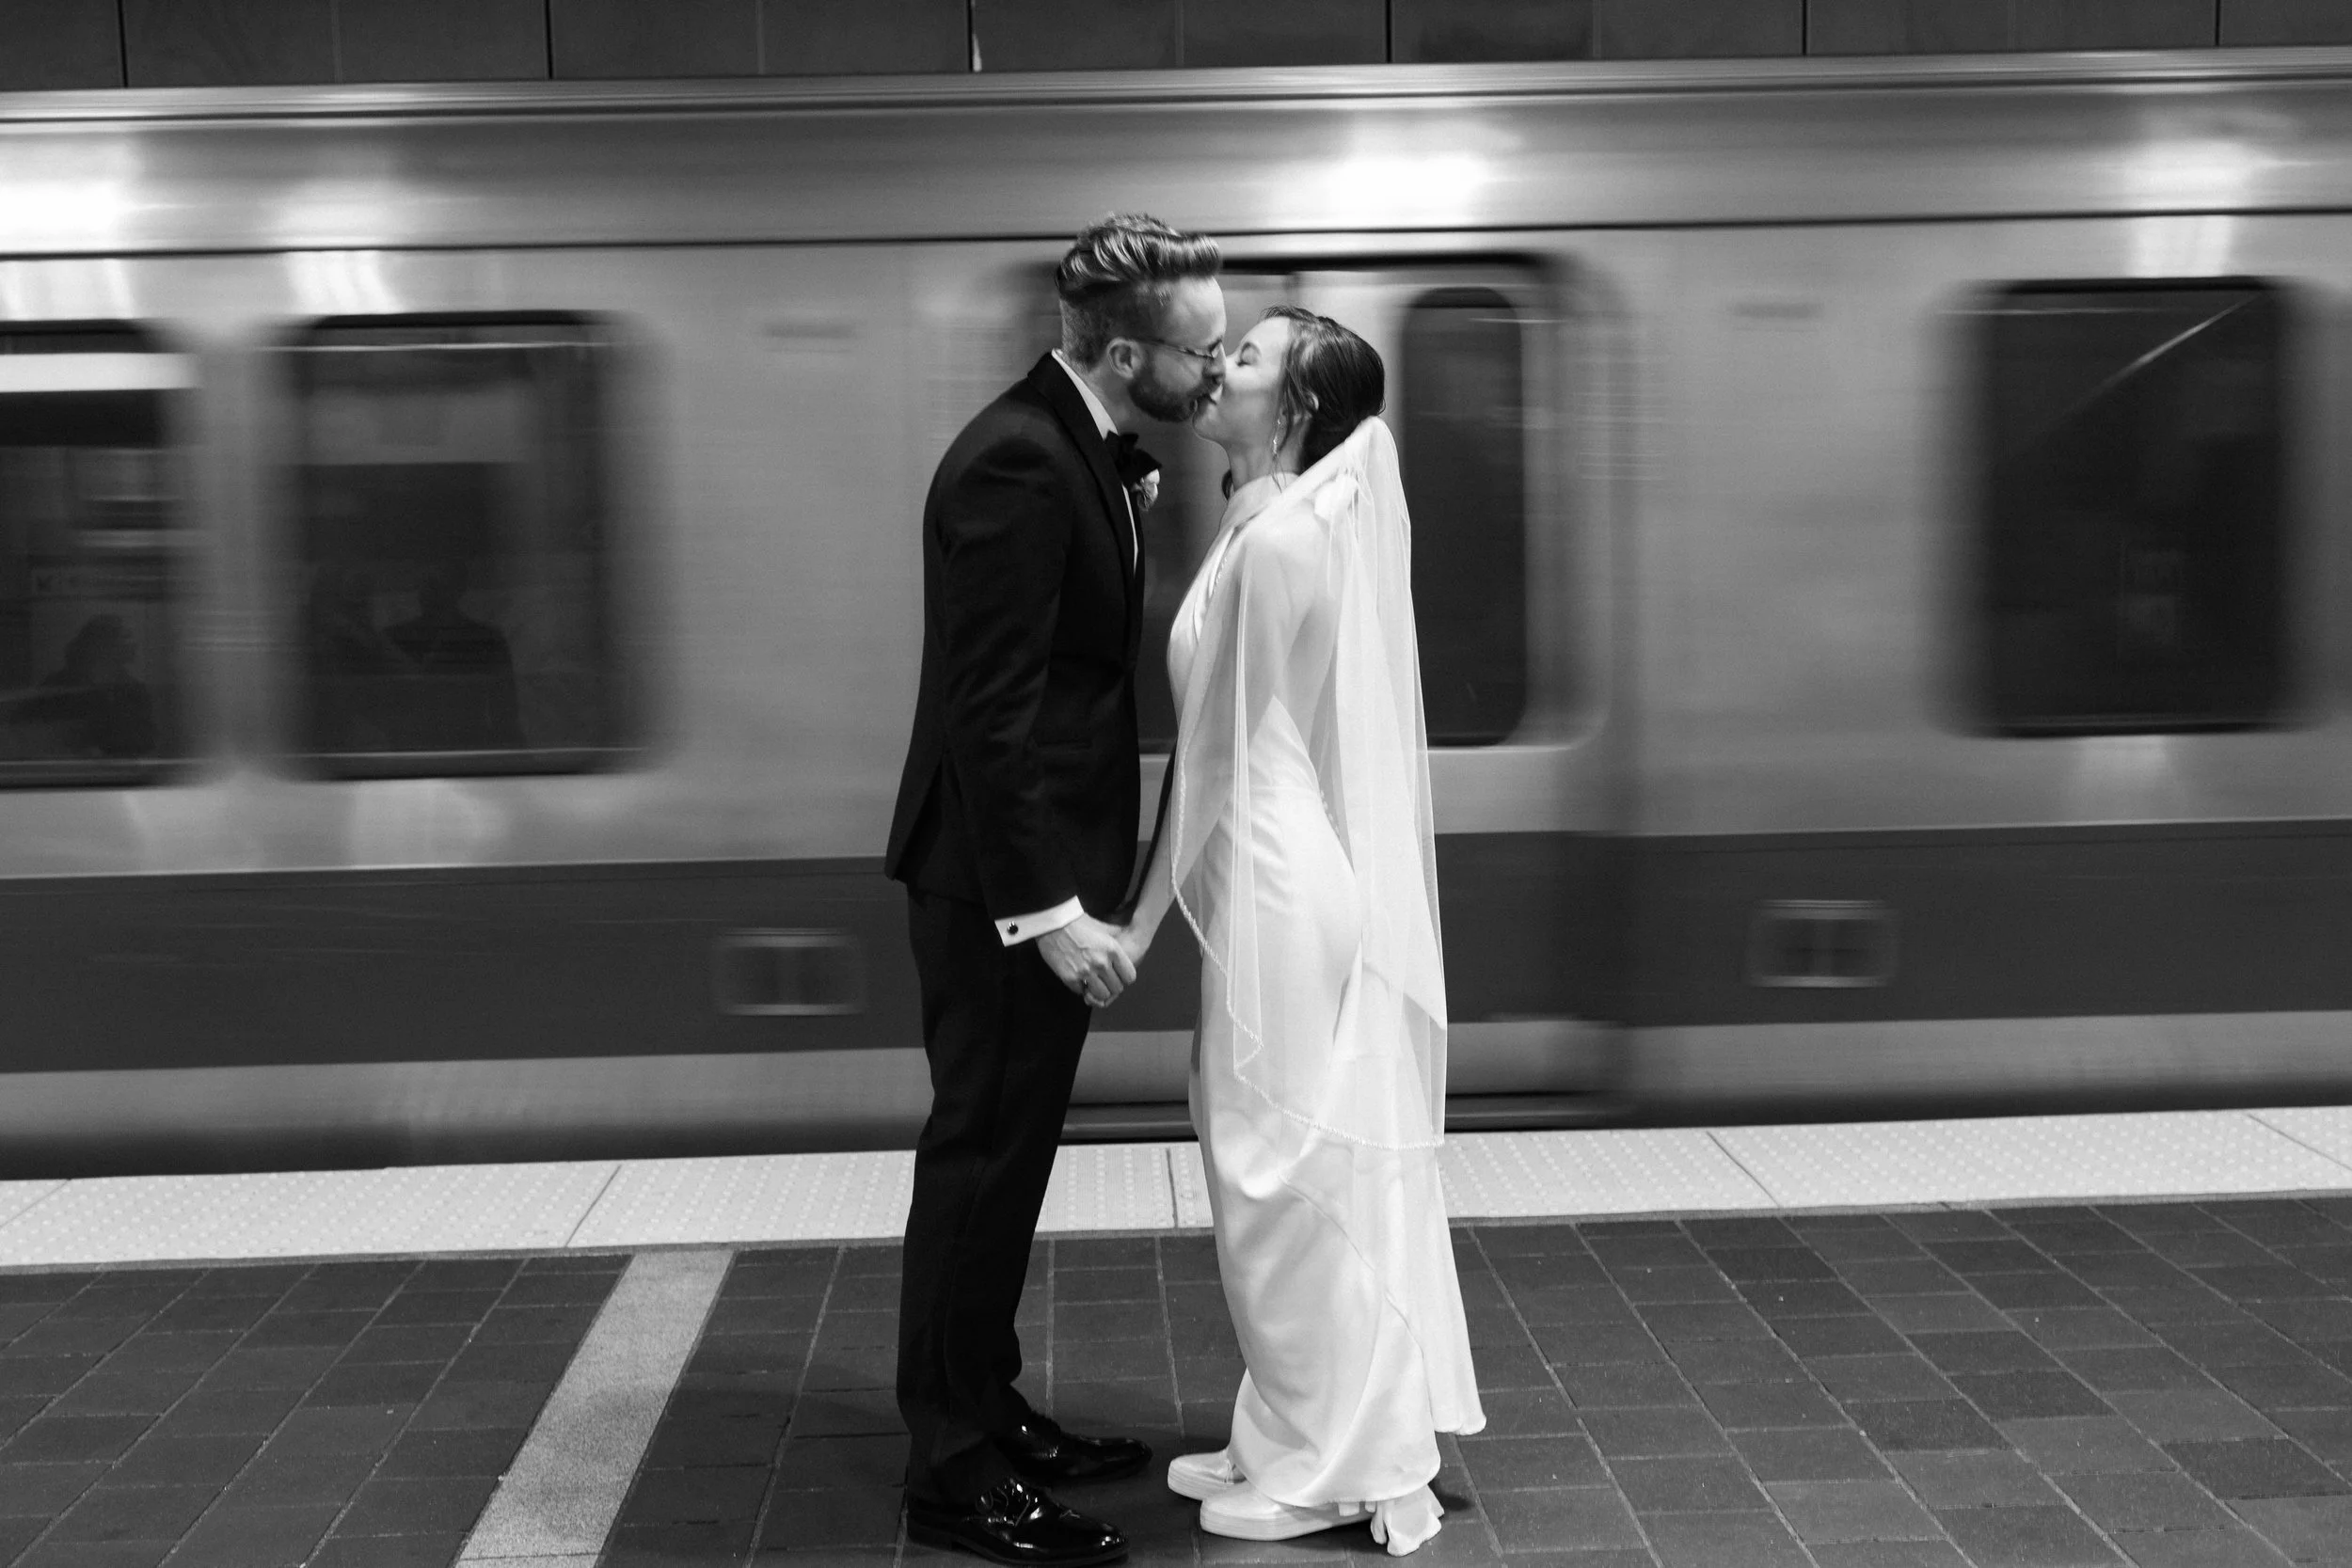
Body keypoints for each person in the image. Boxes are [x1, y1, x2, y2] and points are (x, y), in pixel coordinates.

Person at [882, 214, 1228, 1568]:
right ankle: (951, 1471)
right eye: (1199, 351)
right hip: (996, 894)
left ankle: (985, 1403)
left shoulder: (1070, 445)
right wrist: (1051, 911)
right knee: (977, 1164)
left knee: (1011, 1161)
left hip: (1027, 881)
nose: (1213, 373)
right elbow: (992, 715)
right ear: (1126, 347)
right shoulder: (1019, 464)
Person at [1114, 308, 1485, 1555]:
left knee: (1277, 1174)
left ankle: (1333, 1461)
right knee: (1264, 1158)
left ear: (1300, 409)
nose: (1222, 364)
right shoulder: (1264, 514)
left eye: (1251, 356)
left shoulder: (1280, 539)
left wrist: (1137, 921)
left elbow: (1213, 759)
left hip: (1276, 882)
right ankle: (1283, 1422)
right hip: (1279, 873)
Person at [387, 563, 525, 750]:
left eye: (436, 585)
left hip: (466, 753)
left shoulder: (486, 639)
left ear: (458, 589)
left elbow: (505, 712)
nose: (428, 592)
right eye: (425, 584)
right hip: (413, 755)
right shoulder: (396, 639)